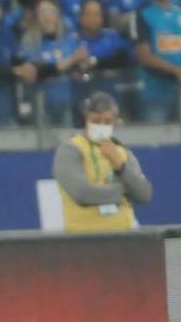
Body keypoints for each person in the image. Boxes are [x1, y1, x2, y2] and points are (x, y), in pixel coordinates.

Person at [52, 92, 153, 233]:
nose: (101, 125)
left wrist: (121, 166)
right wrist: (123, 192)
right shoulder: (70, 150)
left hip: (124, 232)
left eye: (107, 121)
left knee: (175, 248)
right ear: (86, 119)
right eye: (96, 121)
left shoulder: (121, 151)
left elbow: (144, 194)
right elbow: (82, 193)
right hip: (83, 236)